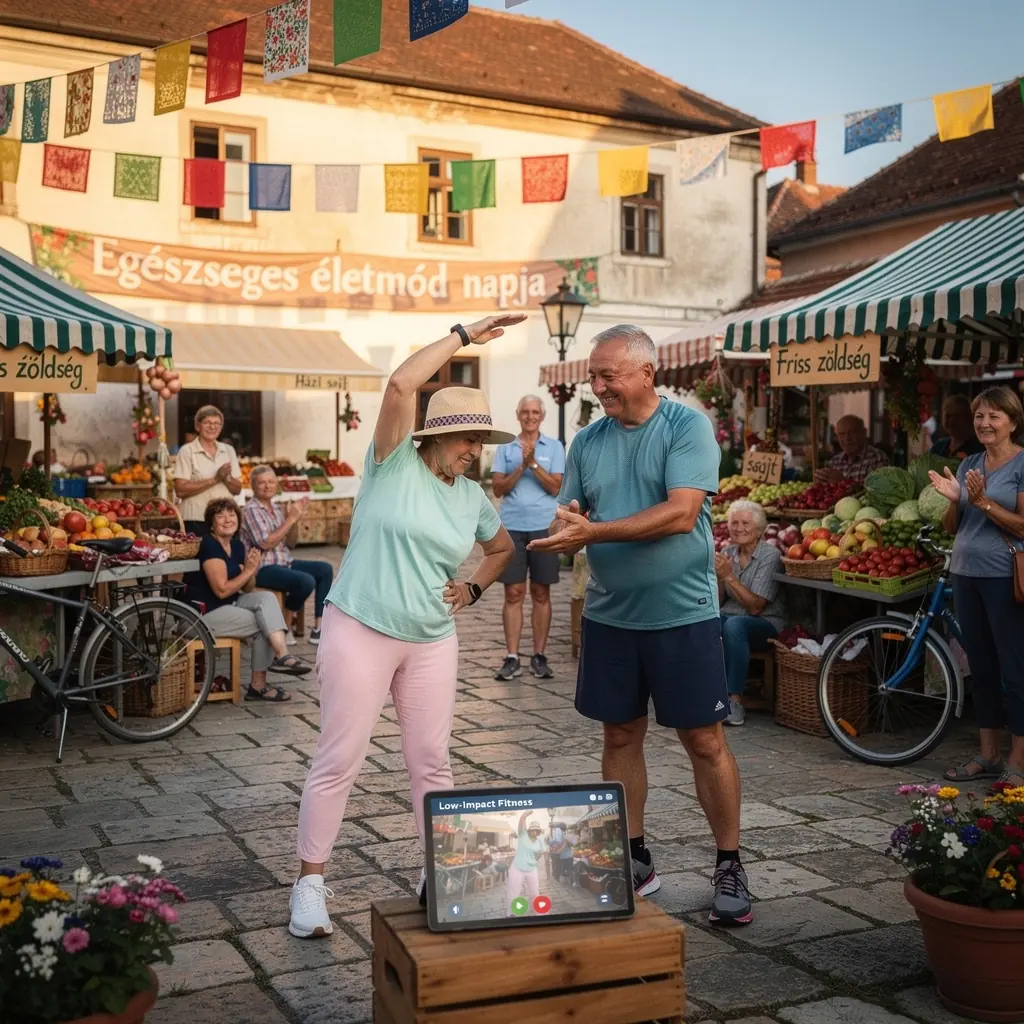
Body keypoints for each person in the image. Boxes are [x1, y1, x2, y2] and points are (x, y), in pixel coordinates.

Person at [288, 317, 519, 940]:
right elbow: (398, 384)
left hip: (431, 639)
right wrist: (463, 335)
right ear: (437, 436)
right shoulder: (391, 463)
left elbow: (501, 549)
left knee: (431, 763)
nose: (475, 449)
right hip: (360, 626)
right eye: (468, 437)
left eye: (481, 439)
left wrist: (472, 587)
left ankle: (437, 874)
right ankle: (310, 885)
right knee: (339, 758)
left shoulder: (471, 497)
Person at [528, 324, 751, 927]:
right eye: (594, 376)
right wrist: (567, 521)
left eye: (609, 376)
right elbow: (574, 508)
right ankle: (633, 856)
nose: (598, 387)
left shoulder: (686, 427)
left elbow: (682, 514)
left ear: (647, 373)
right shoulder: (588, 441)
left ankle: (729, 863)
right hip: (610, 617)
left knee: (705, 741)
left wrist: (592, 532)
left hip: (683, 614)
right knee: (619, 738)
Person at [929, 387, 1024, 789]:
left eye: (994, 417)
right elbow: (954, 527)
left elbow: (1022, 525)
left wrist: (983, 501)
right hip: (965, 574)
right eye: (979, 417)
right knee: (982, 669)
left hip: (1005, 578)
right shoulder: (970, 460)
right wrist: (955, 499)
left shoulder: (1021, 464)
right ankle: (987, 755)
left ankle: (1017, 762)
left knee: (1015, 670)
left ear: (1013, 422)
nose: (984, 423)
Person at [186, 499, 312, 702]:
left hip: (228, 605)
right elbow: (221, 590)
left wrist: (250, 570)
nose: (227, 519)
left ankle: (283, 655)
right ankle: (259, 686)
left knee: (267, 599)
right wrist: (250, 571)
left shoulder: (236, 545)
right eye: (221, 515)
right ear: (211, 523)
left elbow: (248, 587)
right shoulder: (209, 545)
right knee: (265, 624)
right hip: (201, 614)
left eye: (232, 514)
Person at [491, 395, 566, 681]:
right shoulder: (506, 448)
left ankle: (539, 655)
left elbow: (556, 487)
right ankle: (512, 656)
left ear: (542, 416)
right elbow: (498, 488)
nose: (530, 416)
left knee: (541, 592)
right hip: (512, 527)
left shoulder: (554, 447)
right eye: (525, 411)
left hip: (543, 527)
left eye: (535, 412)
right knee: (513, 592)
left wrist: (533, 464)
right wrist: (521, 466)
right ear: (518, 414)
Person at [241, 466, 335, 645]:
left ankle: (318, 628)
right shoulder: (251, 510)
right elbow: (265, 543)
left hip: (285, 561)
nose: (267, 486)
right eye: (261, 482)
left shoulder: (275, 508)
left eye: (270, 482)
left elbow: (290, 543)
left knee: (325, 569)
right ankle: (286, 623)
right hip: (262, 568)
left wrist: (295, 520)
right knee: (305, 581)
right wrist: (290, 519)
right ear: (253, 486)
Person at [715, 501, 785, 727]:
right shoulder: (727, 552)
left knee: (734, 625)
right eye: (734, 523)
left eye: (746, 523)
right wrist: (716, 577)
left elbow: (755, 607)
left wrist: (728, 576)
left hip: (764, 622)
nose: (739, 528)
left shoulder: (770, 556)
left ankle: (734, 701)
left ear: (759, 529)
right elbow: (719, 601)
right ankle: (705, 694)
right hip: (730, 617)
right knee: (702, 622)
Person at [174, 406, 242, 535]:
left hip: (225, 520)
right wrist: (216, 479)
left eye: (217, 423)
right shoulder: (187, 451)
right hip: (197, 520)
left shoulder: (228, 450)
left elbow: (237, 489)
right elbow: (180, 490)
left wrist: (226, 478)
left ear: (221, 427)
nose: (212, 427)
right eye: (207, 423)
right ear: (198, 426)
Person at [814, 415, 889, 484]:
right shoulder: (834, 461)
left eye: (852, 432)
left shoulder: (878, 457)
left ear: (864, 433)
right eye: (842, 434)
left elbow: (879, 493)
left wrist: (844, 482)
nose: (847, 438)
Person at [507, 812, 546, 910]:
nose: (535, 832)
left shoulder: (539, 841)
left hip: (531, 869)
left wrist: (538, 856)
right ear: (529, 830)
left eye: (537, 831)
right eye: (533, 830)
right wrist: (524, 816)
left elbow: (538, 855)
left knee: (535, 892)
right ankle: (511, 913)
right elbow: (521, 824)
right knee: (514, 892)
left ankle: (539, 911)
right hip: (517, 868)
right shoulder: (523, 835)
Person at [931, 394, 984, 459]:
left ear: (968, 418)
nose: (951, 421)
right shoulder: (938, 447)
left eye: (956, 416)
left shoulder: (979, 448)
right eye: (948, 416)